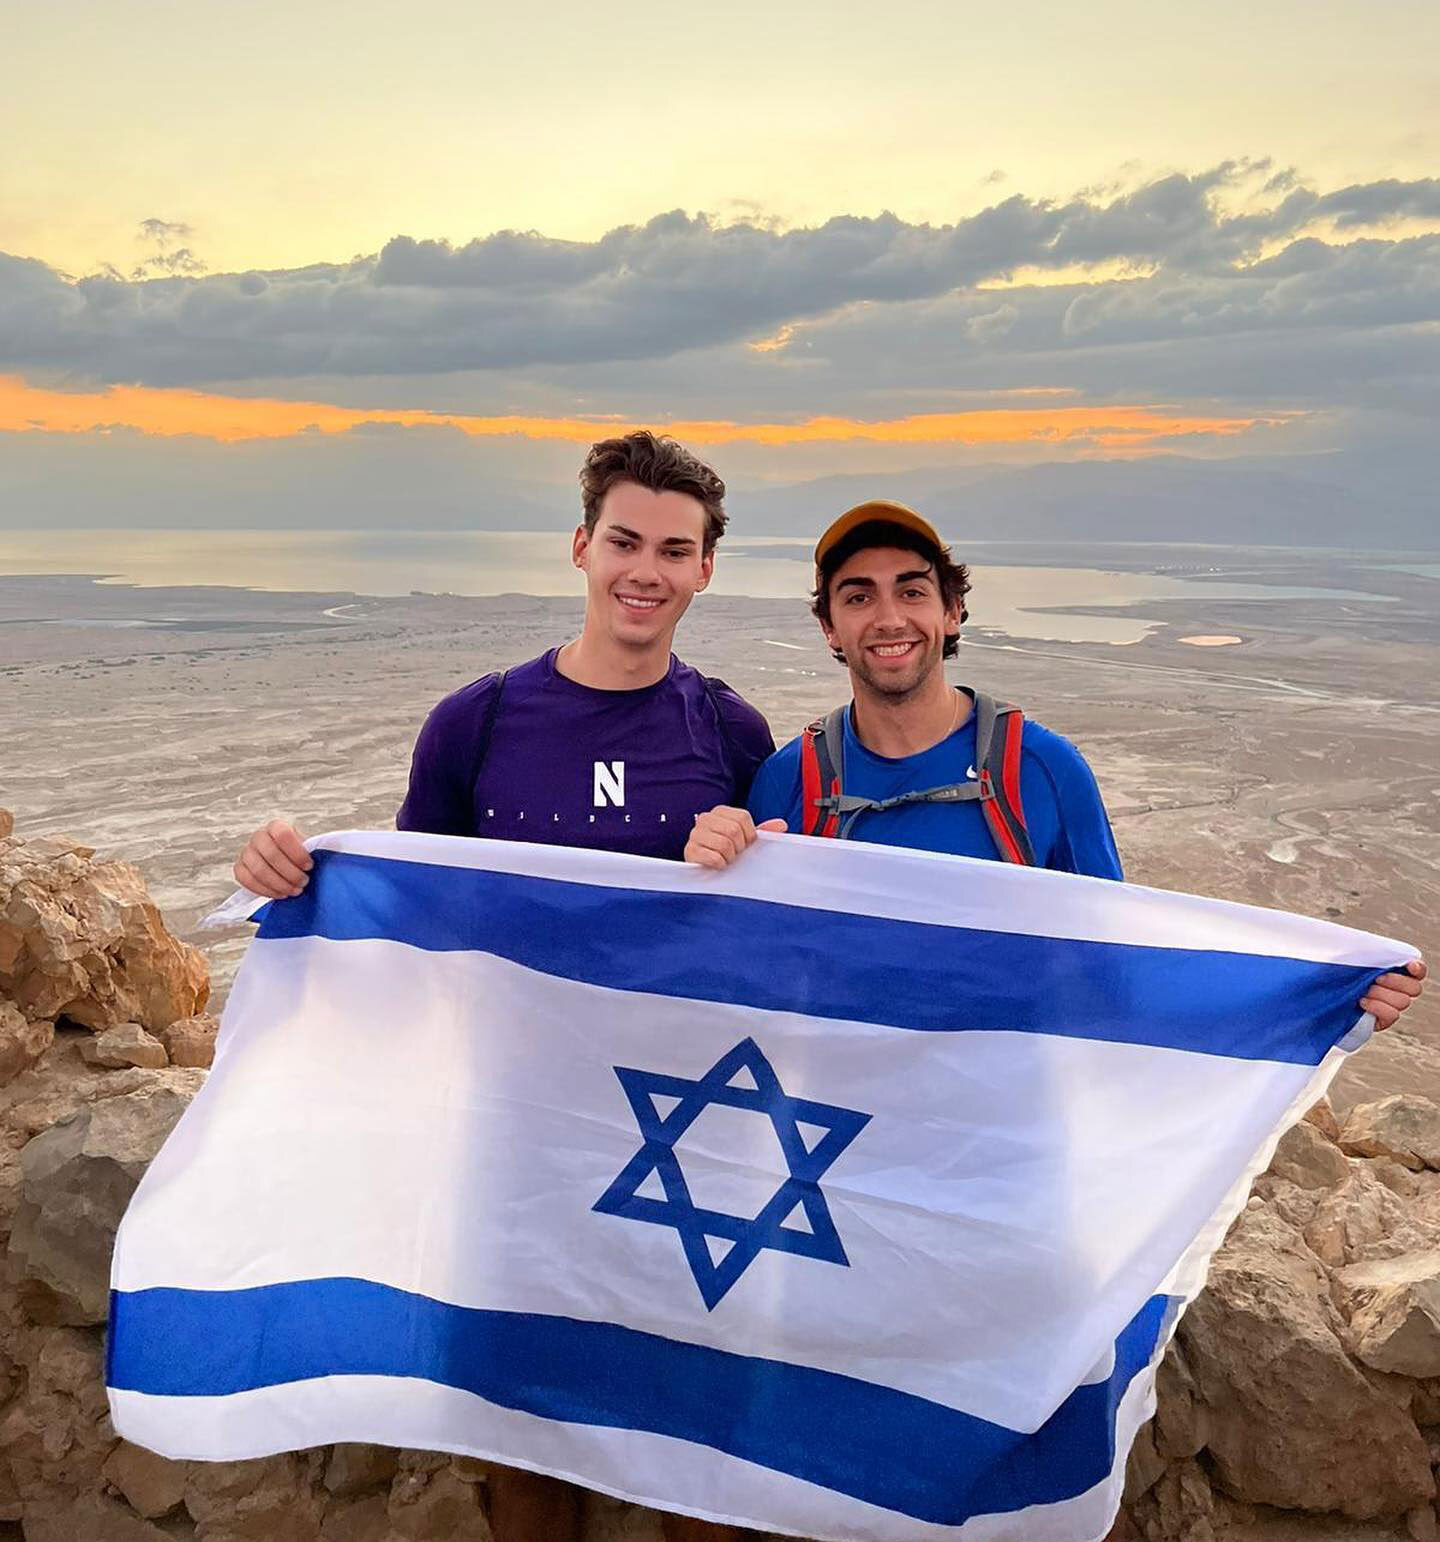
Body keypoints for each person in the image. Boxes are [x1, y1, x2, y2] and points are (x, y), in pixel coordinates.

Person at [234, 429, 774, 1542]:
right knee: (522, 1433)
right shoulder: (473, 724)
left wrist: (746, 854)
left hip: (685, 1135)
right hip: (512, 1133)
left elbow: (774, 951)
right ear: (582, 547)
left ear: (705, 571)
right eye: (625, 540)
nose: (646, 569)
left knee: (696, 1438)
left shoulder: (730, 732)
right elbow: (413, 925)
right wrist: (292, 878)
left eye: (675, 550)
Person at [685, 498, 1427, 1032]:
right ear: (829, 629)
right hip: (848, 1137)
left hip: (1011, 1138)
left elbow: (1118, 966)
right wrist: (710, 861)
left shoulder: (1039, 771)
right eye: (858, 597)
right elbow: (742, 976)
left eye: (912, 590)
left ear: (952, 613)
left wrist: (1325, 992)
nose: (888, 617)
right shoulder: (792, 782)